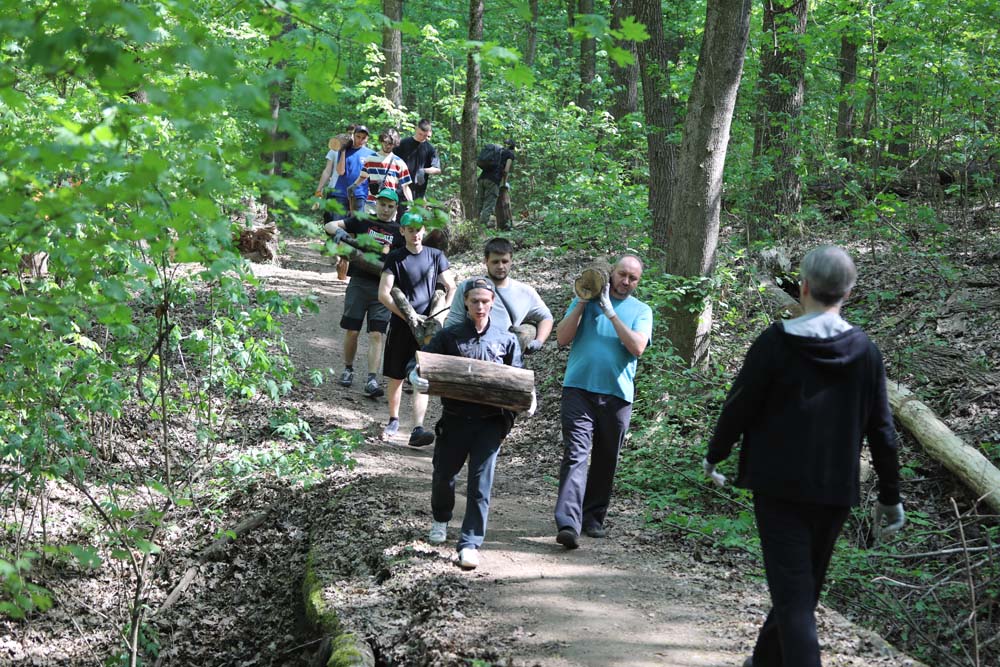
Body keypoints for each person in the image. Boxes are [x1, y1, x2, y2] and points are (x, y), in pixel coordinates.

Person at [702, 245, 905, 667]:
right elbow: (882, 430)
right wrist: (890, 495)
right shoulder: (865, 352)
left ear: (804, 287)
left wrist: (715, 455)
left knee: (797, 594)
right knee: (801, 590)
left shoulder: (776, 342)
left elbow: (740, 404)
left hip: (777, 488)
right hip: (834, 492)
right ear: (848, 292)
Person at [410, 278, 534, 570]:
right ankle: (441, 519)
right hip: (454, 421)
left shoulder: (506, 340)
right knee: (443, 475)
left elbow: (518, 377)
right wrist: (415, 374)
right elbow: (422, 362)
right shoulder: (449, 336)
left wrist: (528, 398)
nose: (480, 306)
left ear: (492, 303)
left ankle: (470, 543)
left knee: (480, 485)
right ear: (465, 302)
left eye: (485, 301)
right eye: (475, 301)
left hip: (490, 424)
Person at [553, 255, 652, 549]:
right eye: (622, 274)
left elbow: (637, 347)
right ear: (612, 273)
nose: (626, 281)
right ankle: (568, 523)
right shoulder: (587, 296)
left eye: (633, 278)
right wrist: (583, 301)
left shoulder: (641, 310)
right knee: (576, 453)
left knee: (607, 458)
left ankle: (593, 518)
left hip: (617, 395)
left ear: (638, 282)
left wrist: (611, 314)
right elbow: (561, 338)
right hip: (579, 389)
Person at [378, 212, 456, 446]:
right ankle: (393, 419)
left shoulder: (436, 256)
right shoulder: (395, 258)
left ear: (424, 230)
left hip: (429, 329)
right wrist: (409, 317)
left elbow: (451, 286)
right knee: (396, 374)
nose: (415, 234)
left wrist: (441, 315)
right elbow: (383, 293)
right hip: (402, 325)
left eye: (418, 229)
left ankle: (418, 428)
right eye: (410, 230)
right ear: (402, 231)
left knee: (422, 376)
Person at [323, 189, 405, 398]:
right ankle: (348, 369)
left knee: (377, 333)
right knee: (352, 330)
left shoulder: (399, 231)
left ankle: (371, 379)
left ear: (395, 209)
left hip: (382, 287)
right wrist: (339, 233)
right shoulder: (362, 221)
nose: (386, 210)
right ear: (376, 204)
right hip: (359, 283)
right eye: (383, 205)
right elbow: (329, 225)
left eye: (390, 206)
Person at [444, 237, 553, 354]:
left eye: (504, 261)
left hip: (507, 356)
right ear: (486, 261)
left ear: (511, 261)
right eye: (495, 262)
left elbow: (546, 317)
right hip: (472, 352)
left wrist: (538, 341)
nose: (501, 266)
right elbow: (452, 324)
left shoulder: (525, 292)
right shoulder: (468, 287)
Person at [313, 123, 355, 280]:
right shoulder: (335, 149)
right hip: (334, 191)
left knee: (345, 224)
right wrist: (319, 190)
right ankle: (333, 247)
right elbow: (327, 170)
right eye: (349, 133)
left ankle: (341, 259)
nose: (350, 136)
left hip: (350, 194)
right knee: (330, 222)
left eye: (354, 133)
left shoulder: (360, 152)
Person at [349, 128, 413, 215]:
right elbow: (363, 176)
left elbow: (405, 186)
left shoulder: (399, 163)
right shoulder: (370, 159)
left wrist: (411, 203)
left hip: (389, 205)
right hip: (371, 204)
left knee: (386, 228)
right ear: (381, 141)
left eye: (391, 144)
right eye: (385, 142)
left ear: (395, 144)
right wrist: (354, 186)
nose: (388, 146)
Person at [395, 119, 441, 218]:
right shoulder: (403, 143)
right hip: (401, 189)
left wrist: (424, 170)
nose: (422, 137)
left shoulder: (430, 149)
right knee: (401, 219)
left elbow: (437, 169)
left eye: (425, 135)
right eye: (420, 134)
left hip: (419, 192)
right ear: (416, 129)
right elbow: (391, 160)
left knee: (415, 222)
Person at [332, 125, 376, 216]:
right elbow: (340, 171)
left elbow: (372, 178)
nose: (360, 140)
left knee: (356, 226)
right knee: (337, 224)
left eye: (364, 138)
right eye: (358, 137)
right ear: (354, 136)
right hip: (341, 193)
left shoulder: (371, 154)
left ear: (367, 139)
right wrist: (343, 150)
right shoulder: (344, 150)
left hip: (359, 194)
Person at [477, 139, 515, 228]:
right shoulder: (510, 154)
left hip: (482, 178)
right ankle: (481, 229)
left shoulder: (497, 151)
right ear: (512, 147)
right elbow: (506, 170)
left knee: (478, 204)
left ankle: (471, 225)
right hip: (493, 181)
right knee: (488, 205)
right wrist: (504, 183)